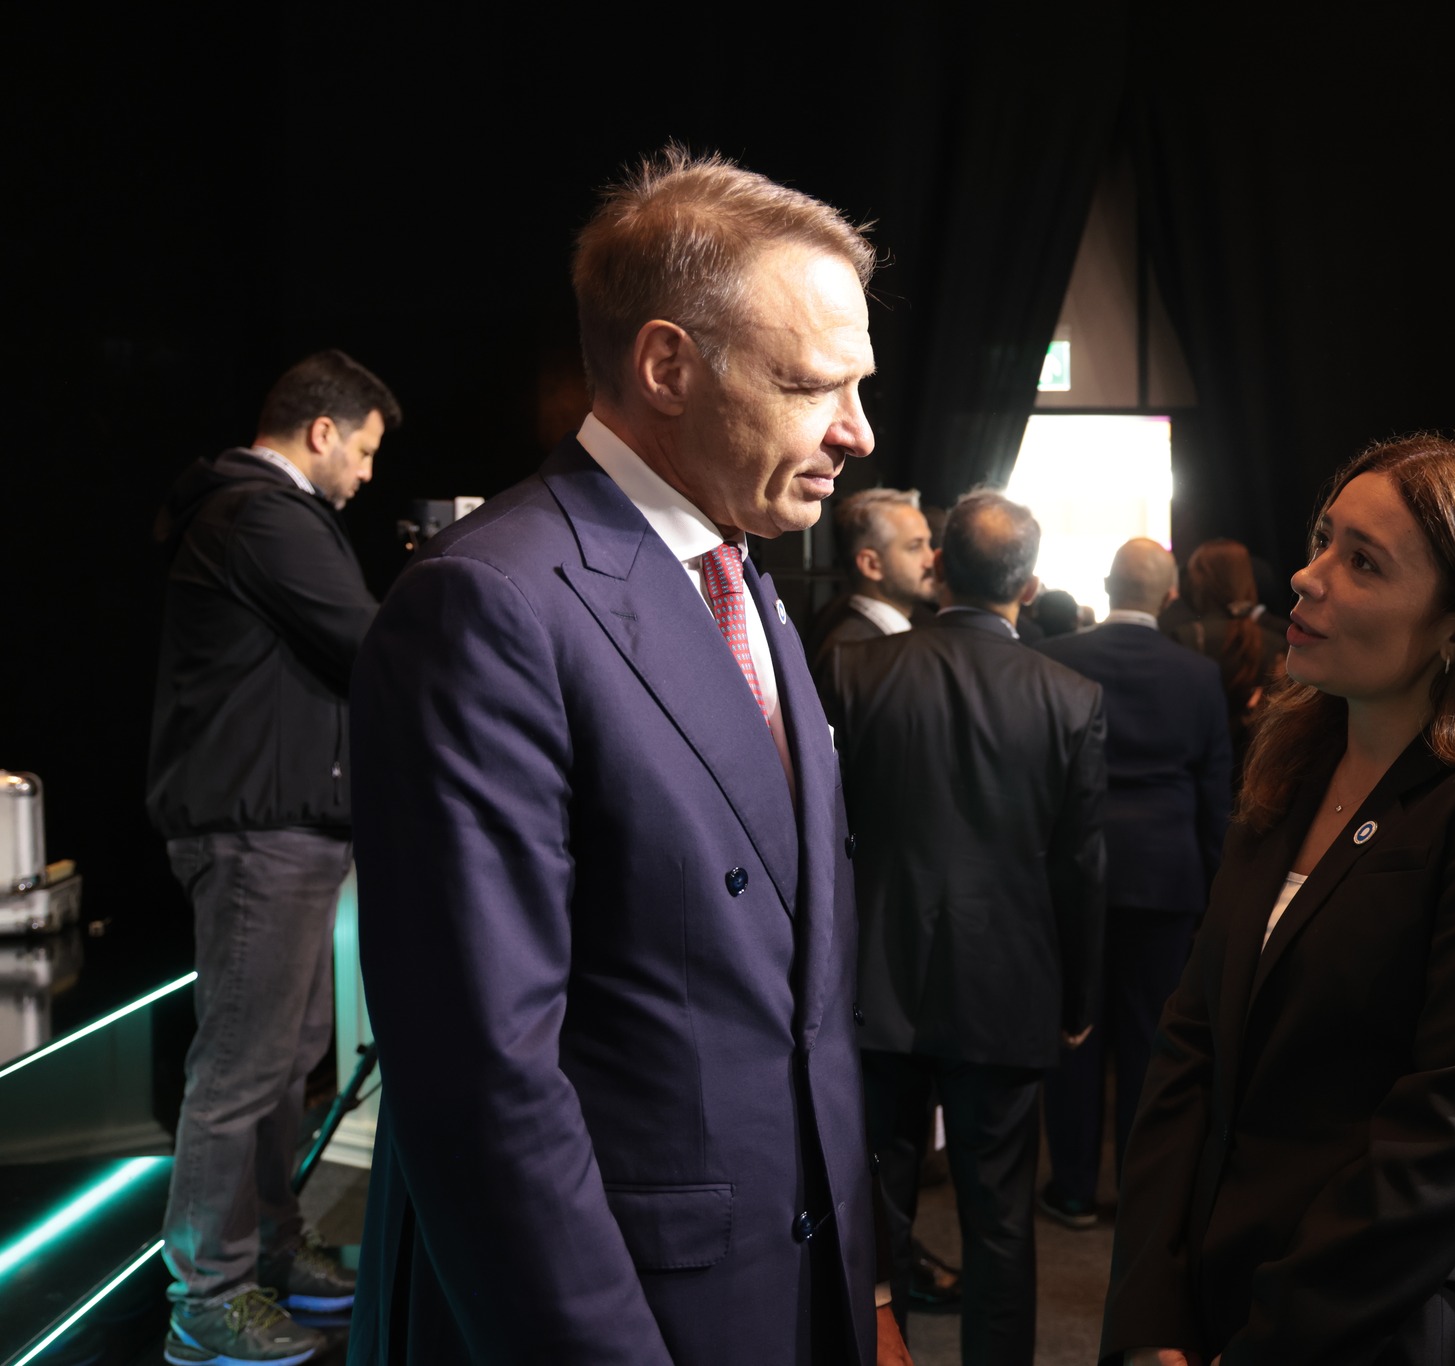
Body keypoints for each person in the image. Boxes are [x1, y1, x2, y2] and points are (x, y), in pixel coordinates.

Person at [347, 149, 907, 1366]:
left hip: (785, 1287)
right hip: (629, 1317)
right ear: (666, 366)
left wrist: (857, 1288)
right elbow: (485, 1085)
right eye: (813, 385)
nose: (857, 432)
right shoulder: (485, 607)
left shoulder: (743, 578)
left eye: (857, 385)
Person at [1102, 435, 1455, 1365]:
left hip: (1380, 1326)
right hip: (1208, 1303)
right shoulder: (1293, 765)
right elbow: (1190, 1045)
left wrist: (1267, 1346)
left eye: (1363, 563)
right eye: (1323, 540)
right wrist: (1150, 1317)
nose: (1307, 577)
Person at [145, 348, 398, 1366]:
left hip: (284, 828)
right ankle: (207, 1297)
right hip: (259, 836)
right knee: (243, 1069)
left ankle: (271, 1253)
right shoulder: (262, 514)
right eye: (364, 451)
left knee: (284, 1061)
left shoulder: (264, 515)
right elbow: (369, 640)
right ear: (321, 430)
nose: (367, 474)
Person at [823, 490, 1108, 1366]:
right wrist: (1078, 999)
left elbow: (820, 840)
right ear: (1029, 586)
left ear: (941, 566)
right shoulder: (1070, 696)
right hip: (1007, 989)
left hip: (877, 981)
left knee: (876, 1220)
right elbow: (1081, 867)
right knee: (1001, 1225)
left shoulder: (856, 673)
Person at [1034, 539, 1233, 1228]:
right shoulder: (1198, 675)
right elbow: (1215, 793)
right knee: (1151, 1037)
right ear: (1169, 596)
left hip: (1073, 875)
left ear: (1106, 583)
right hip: (1166, 876)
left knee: (1075, 1033)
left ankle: (1072, 1189)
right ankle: (1140, 1191)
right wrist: (1214, 887)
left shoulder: (1056, 657)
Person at [1169, 538, 1286, 779]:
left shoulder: (1184, 639)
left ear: (1200, 581)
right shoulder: (1280, 642)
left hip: (1196, 777)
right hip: (1257, 776)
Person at [808, 486, 937, 669]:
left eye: (928, 544)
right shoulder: (856, 656)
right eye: (915, 547)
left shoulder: (867, 640)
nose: (931, 560)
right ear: (871, 565)